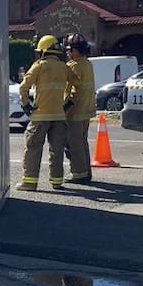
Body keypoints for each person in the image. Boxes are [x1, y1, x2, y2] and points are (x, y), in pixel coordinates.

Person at [17, 35, 78, 191]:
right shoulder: (64, 67)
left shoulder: (39, 66)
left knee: (33, 148)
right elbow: (77, 83)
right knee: (56, 150)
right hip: (59, 116)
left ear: (43, 51)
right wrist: (69, 101)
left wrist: (26, 106)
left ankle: (29, 182)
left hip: (40, 116)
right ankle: (57, 181)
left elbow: (23, 88)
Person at [62, 33, 96, 184]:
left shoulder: (74, 66)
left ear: (76, 50)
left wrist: (64, 109)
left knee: (74, 144)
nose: (68, 53)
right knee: (82, 143)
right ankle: (86, 171)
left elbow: (74, 92)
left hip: (75, 112)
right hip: (86, 111)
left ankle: (78, 173)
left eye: (69, 50)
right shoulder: (87, 64)